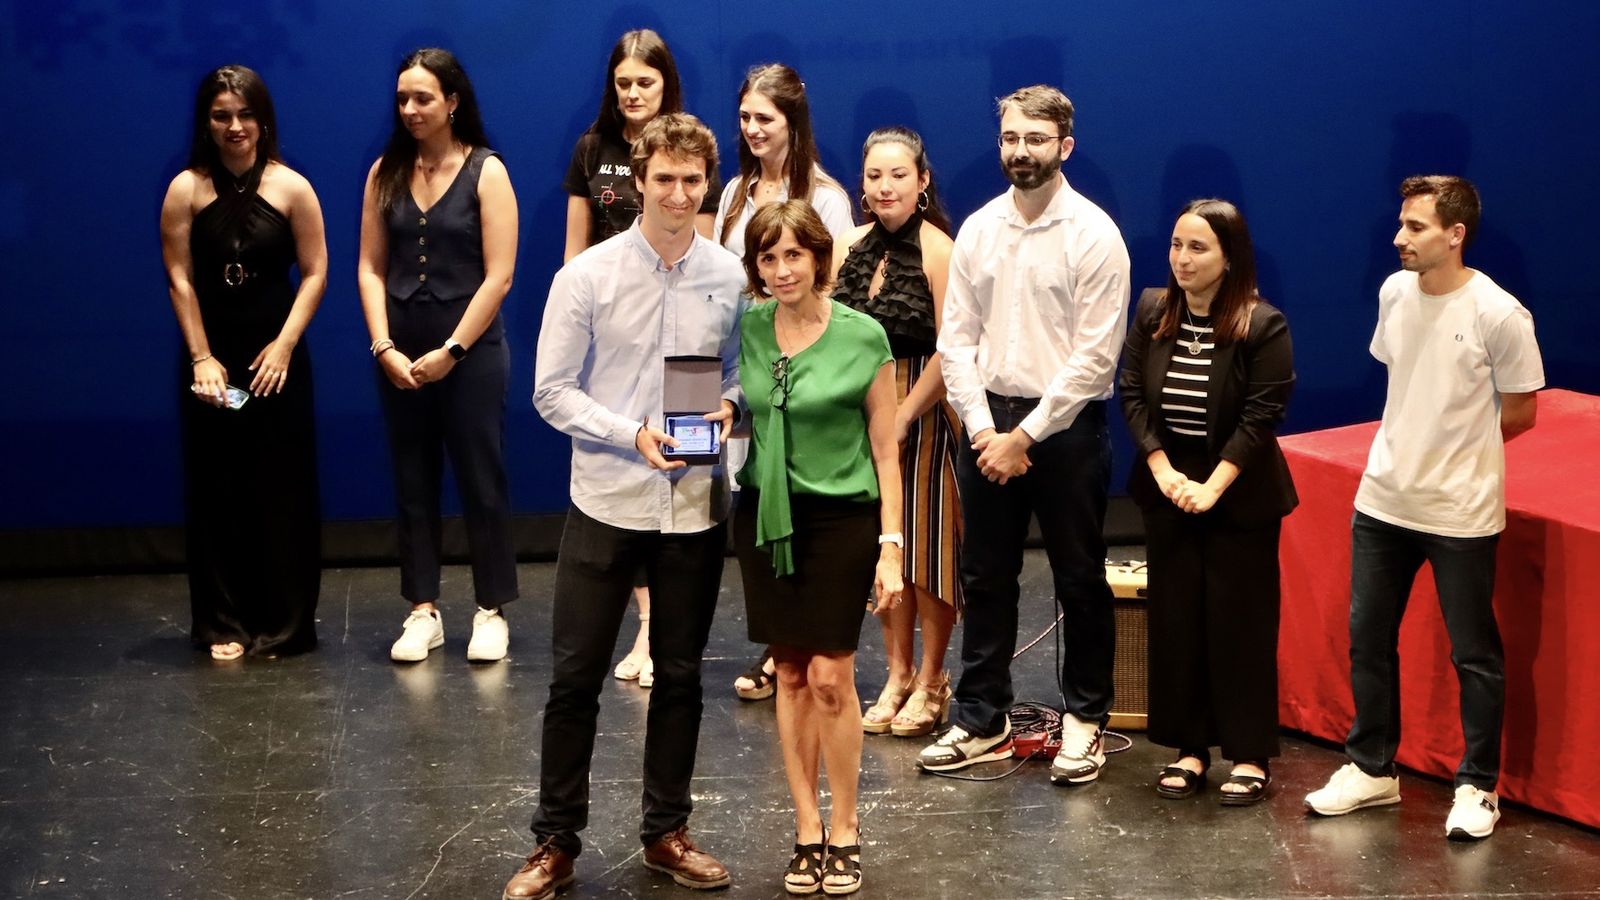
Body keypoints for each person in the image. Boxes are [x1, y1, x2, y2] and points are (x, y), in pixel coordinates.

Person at [508, 113, 743, 900]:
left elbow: (739, 374)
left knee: (680, 677)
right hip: (607, 501)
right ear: (636, 182)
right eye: (664, 179)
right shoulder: (587, 276)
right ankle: (554, 843)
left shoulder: (729, 276)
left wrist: (730, 412)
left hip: (695, 507)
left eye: (692, 180)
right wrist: (628, 432)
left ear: (707, 183)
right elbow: (549, 391)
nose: (679, 194)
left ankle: (666, 833)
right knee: (574, 679)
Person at [1305, 176, 1544, 840]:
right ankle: (1372, 769)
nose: (1398, 238)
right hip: (1383, 500)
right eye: (1401, 224)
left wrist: (1456, 450)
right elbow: (1402, 377)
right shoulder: (1393, 293)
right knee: (1368, 642)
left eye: (1415, 227)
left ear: (1455, 234)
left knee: (1473, 653)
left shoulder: (1499, 313)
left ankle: (1478, 787)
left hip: (1461, 511)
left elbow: (1521, 411)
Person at [920, 85, 1129, 786]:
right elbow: (957, 343)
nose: (1021, 151)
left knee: (1078, 578)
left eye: (1036, 140)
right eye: (1011, 138)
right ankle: (982, 717)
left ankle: (1085, 721)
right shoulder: (979, 228)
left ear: (1065, 147)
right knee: (985, 577)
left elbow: (1096, 359)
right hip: (987, 427)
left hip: (1064, 433)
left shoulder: (1095, 235)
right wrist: (985, 432)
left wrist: (1024, 438)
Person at [734, 199, 903, 896]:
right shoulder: (747, 331)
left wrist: (892, 548)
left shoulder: (864, 338)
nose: (780, 270)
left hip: (843, 521)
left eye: (793, 256)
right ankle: (807, 827)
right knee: (793, 673)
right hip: (766, 520)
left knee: (833, 675)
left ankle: (847, 826)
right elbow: (724, 399)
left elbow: (887, 452)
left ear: (819, 259)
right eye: (767, 258)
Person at [1119, 199, 1297, 804]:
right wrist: (1163, 469)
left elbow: (1260, 417)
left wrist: (1211, 487)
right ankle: (1189, 748)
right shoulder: (1151, 310)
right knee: (1177, 623)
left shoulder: (1262, 324)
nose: (1182, 259)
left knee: (1238, 626)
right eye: (1176, 245)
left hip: (1238, 494)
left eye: (1198, 248)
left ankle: (1248, 754)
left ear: (1229, 258)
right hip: (1168, 489)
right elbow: (1131, 397)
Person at [562, 28, 720, 690]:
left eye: (644, 82)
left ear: (666, 86)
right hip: (614, 336)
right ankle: (643, 620)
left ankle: (666, 629)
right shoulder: (591, 149)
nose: (632, 92)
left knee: (684, 474)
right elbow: (576, 251)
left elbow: (704, 249)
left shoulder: (690, 150)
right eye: (622, 82)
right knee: (625, 475)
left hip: (684, 340)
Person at [356, 48, 519, 663]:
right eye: (402, 98)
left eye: (423, 97)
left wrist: (452, 349)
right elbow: (371, 268)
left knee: (481, 478)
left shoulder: (487, 171)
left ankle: (491, 608)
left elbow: (499, 275)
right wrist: (384, 347)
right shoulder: (384, 174)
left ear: (452, 101)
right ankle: (422, 609)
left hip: (469, 351)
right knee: (413, 479)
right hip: (400, 349)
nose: (410, 109)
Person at [159, 64, 326, 661]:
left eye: (246, 114)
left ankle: (285, 626)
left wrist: (284, 344)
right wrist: (202, 357)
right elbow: (179, 278)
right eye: (222, 115)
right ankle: (224, 623)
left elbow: (315, 272)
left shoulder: (291, 188)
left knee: (281, 488)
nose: (235, 126)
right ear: (207, 121)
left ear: (263, 119)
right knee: (218, 488)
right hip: (215, 365)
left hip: (274, 361)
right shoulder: (186, 189)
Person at [716, 62, 854, 702]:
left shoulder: (825, 196)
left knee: (796, 496)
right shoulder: (734, 194)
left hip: (799, 367)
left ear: (792, 123)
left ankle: (787, 651)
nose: (751, 130)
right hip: (744, 366)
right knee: (754, 496)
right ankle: (780, 639)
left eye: (764, 119)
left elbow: (829, 290)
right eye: (744, 118)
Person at [831, 127, 962, 738]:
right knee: (884, 546)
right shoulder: (848, 246)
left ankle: (934, 677)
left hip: (926, 411)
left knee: (929, 550)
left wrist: (905, 413)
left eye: (899, 175)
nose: (886, 186)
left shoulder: (940, 249)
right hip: (863, 409)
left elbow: (954, 346)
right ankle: (898, 672)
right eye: (875, 176)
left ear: (922, 180)